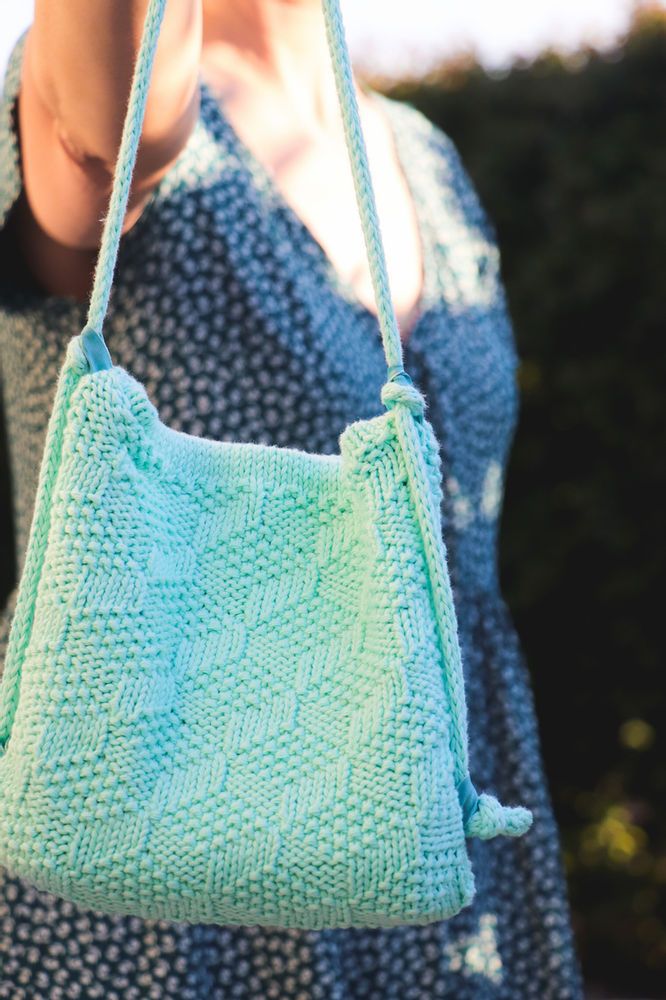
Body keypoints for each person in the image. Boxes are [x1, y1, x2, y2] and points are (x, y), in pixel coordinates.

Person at [0, 1, 583, 997]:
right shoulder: (118, 90)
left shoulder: (421, 154)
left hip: (437, 852)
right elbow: (106, 135)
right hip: (166, 887)